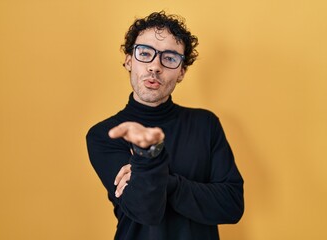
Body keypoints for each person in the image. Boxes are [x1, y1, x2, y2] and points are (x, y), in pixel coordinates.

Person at [86, 11, 244, 240]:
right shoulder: (105, 134)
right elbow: (145, 209)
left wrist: (159, 178)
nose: (155, 66)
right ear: (129, 60)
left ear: (181, 72)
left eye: (169, 58)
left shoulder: (205, 124)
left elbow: (231, 205)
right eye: (145, 53)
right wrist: (147, 154)